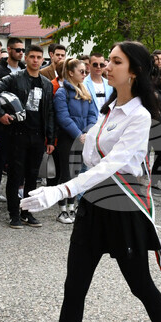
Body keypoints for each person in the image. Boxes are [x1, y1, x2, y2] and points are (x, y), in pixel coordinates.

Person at [10, 41, 161, 322]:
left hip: (124, 211)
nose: (107, 66)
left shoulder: (139, 116)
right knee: (74, 290)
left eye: (116, 62)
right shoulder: (108, 108)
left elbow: (111, 164)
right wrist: (88, 140)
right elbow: (91, 154)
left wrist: (60, 191)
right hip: (93, 210)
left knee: (141, 287)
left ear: (133, 71)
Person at [0, 44, 55, 228]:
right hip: (17, 134)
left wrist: (50, 137)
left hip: (38, 136)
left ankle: (27, 213)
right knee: (16, 176)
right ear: (26, 58)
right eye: (31, 56)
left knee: (33, 176)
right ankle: (14, 214)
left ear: (43, 60)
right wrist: (0, 114)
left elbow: (49, 113)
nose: (35, 60)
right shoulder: (15, 78)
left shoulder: (47, 84)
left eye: (38, 57)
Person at [52, 58, 97, 223]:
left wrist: (87, 132)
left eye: (85, 71)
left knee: (78, 174)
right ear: (71, 73)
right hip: (68, 139)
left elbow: (93, 114)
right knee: (66, 174)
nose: (85, 74)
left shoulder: (85, 91)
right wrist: (79, 134)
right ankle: (62, 210)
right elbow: (63, 118)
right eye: (82, 71)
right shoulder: (62, 93)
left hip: (83, 139)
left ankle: (73, 206)